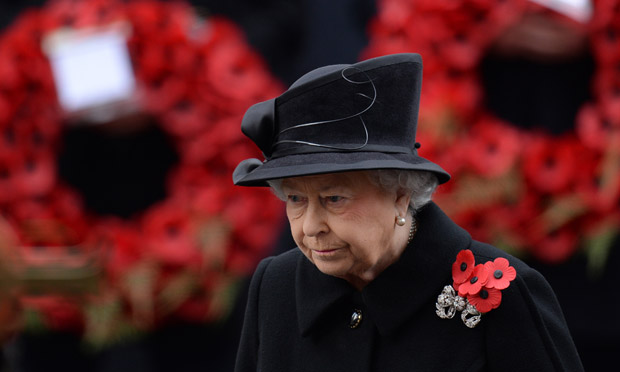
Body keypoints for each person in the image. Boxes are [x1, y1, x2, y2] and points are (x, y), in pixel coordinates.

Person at [231, 53, 584, 371]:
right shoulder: (275, 285)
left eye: (334, 199)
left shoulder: (500, 291)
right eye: (296, 200)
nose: (310, 227)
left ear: (400, 195)